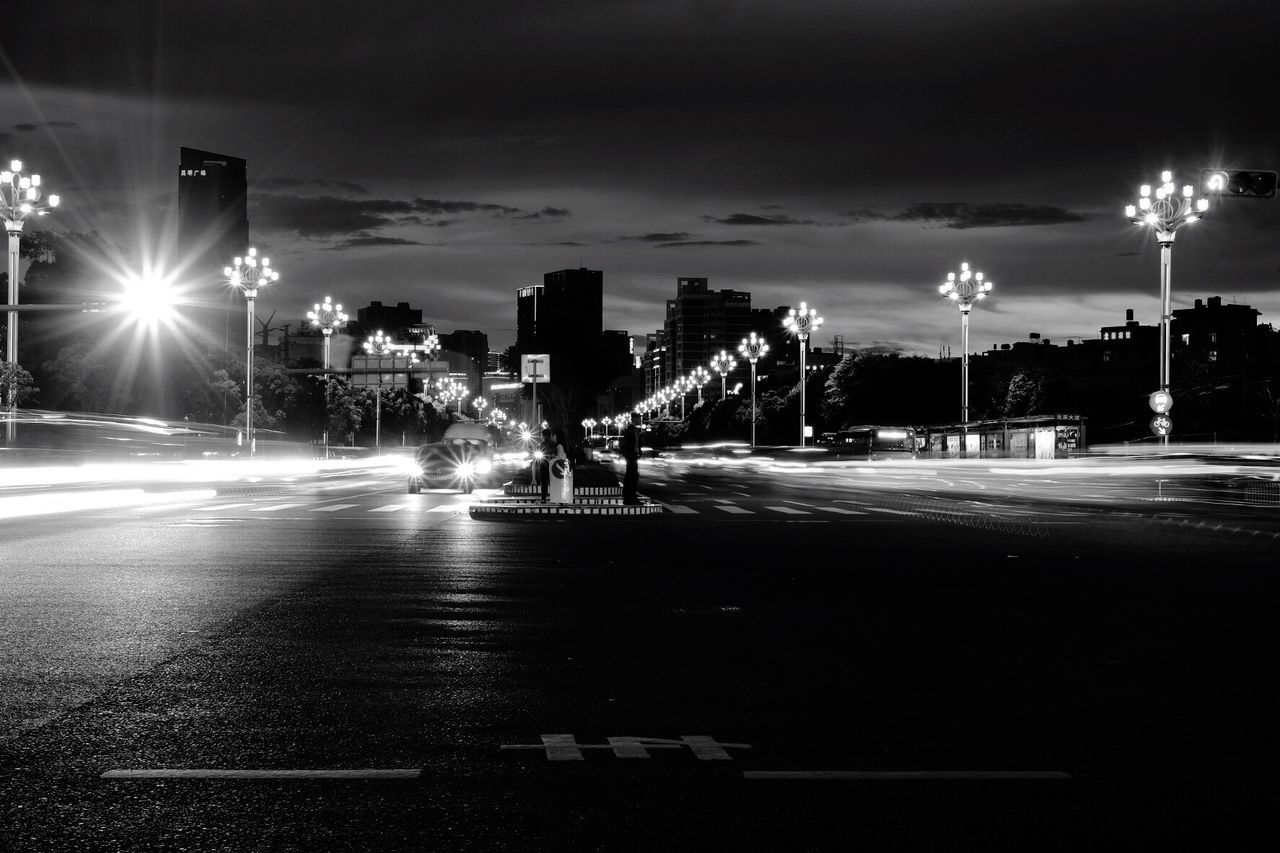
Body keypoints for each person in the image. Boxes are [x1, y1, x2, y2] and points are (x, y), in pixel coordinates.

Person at [620, 412, 641, 505]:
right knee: (631, 476)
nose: (640, 420)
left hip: (633, 456)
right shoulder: (629, 429)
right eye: (638, 418)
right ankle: (629, 498)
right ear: (634, 419)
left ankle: (631, 497)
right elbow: (627, 443)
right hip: (631, 456)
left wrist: (639, 452)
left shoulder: (634, 429)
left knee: (633, 476)